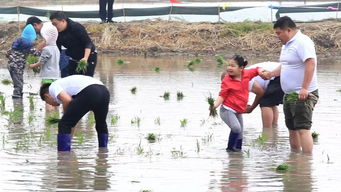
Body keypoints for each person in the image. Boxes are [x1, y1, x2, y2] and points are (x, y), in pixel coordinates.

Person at [265, 16, 318, 154]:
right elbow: (285, 65)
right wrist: (271, 74)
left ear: (288, 30)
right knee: (292, 128)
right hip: (289, 94)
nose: (277, 36)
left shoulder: (302, 42)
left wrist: (304, 88)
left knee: (302, 128)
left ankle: (306, 163)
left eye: (278, 33)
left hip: (303, 93)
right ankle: (295, 159)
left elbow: (310, 63)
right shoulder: (287, 45)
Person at [39, 75, 110, 151]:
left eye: (47, 102)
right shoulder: (66, 87)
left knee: (64, 123)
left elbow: (67, 100)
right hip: (104, 91)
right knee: (101, 124)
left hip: (90, 91)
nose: (50, 104)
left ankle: (63, 156)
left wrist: (66, 118)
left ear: (46, 96)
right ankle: (103, 153)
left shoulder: (52, 87)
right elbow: (72, 123)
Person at [211, 55, 266, 152]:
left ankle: (237, 156)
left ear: (241, 68)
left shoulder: (247, 74)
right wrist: (214, 105)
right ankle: (229, 151)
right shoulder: (227, 80)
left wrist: (261, 71)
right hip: (227, 110)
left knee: (240, 134)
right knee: (236, 128)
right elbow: (222, 96)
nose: (229, 68)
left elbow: (257, 69)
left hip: (238, 110)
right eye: (228, 65)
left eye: (232, 66)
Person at [50, 11, 97, 77]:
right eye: (53, 25)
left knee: (86, 79)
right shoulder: (57, 32)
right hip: (73, 56)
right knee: (71, 79)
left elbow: (88, 43)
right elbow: (58, 49)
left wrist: (85, 58)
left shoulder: (76, 27)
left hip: (88, 56)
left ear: (63, 21)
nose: (54, 27)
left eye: (55, 24)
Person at [246, 62, 284, 128]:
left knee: (265, 103)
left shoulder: (243, 79)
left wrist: (252, 107)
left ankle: (267, 133)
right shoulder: (239, 75)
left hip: (278, 74)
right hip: (282, 73)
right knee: (271, 102)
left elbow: (261, 93)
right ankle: (274, 131)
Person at [6, 24, 37, 98]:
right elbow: (35, 52)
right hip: (17, 67)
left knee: (19, 81)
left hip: (13, 66)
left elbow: (7, 54)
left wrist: (12, 58)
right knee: (18, 83)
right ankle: (16, 96)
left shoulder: (15, 46)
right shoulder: (26, 46)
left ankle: (19, 94)